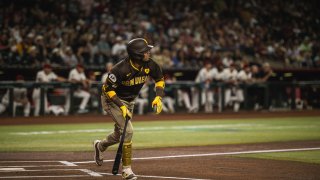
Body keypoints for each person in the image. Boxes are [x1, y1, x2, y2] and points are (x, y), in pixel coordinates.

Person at [94, 38, 164, 180]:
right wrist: (121, 107)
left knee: (121, 134)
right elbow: (108, 90)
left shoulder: (149, 64)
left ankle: (100, 146)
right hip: (112, 100)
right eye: (146, 51)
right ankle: (126, 170)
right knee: (129, 131)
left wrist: (158, 97)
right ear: (137, 54)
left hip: (130, 100)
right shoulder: (120, 69)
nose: (149, 52)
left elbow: (159, 79)